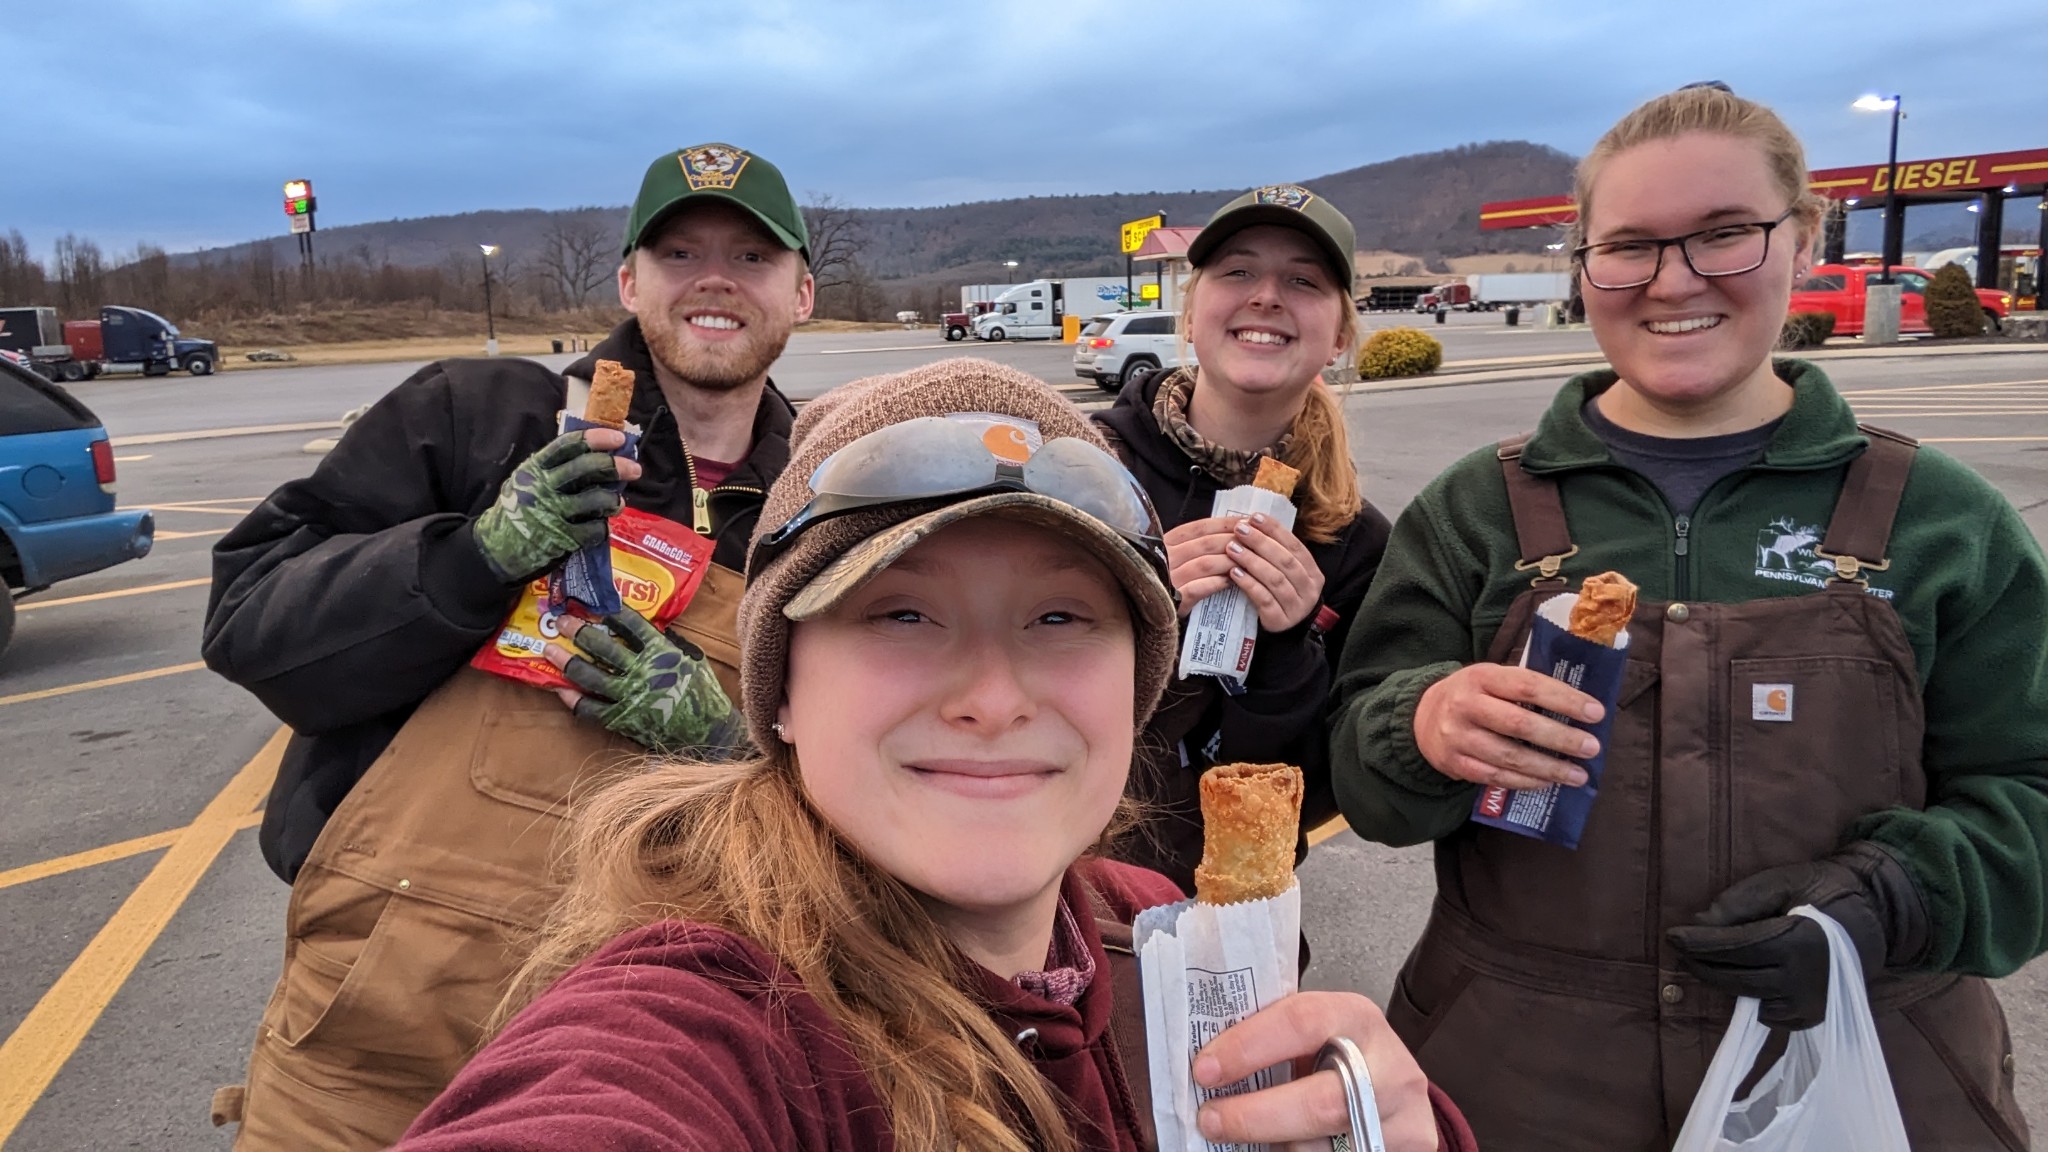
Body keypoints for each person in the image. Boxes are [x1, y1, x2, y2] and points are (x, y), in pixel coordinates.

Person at [391, 358, 1474, 1152]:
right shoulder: (707, 1016)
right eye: (902, 617)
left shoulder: (1150, 928)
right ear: (781, 692)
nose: (993, 701)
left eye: (1059, 620)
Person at [1329, 84, 2048, 1149]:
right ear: (1583, 265)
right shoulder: (1473, 514)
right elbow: (1359, 775)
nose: (1670, 282)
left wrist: (1892, 899)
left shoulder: (1946, 523)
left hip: (1862, 1081)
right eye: (1627, 247)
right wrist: (1420, 728)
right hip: (1513, 1085)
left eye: (1720, 236)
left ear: (1800, 239)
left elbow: (2029, 792)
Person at [199, 143, 815, 1149]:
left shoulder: (819, 504)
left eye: (750, 258)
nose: (714, 279)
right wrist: (471, 557)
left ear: (800, 291)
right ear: (628, 280)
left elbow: (876, 784)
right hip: (373, 1050)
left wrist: (733, 753)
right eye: (678, 253)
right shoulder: (481, 418)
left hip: (663, 1057)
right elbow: (250, 625)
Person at [1093, 184, 1390, 894]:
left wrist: (1287, 650)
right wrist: (1145, 614)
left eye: (1303, 281)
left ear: (1340, 334)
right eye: (1237, 272)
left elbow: (1320, 788)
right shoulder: (1086, 469)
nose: (1266, 296)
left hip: (1226, 905)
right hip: (1051, 887)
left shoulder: (1354, 541)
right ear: (1191, 316)